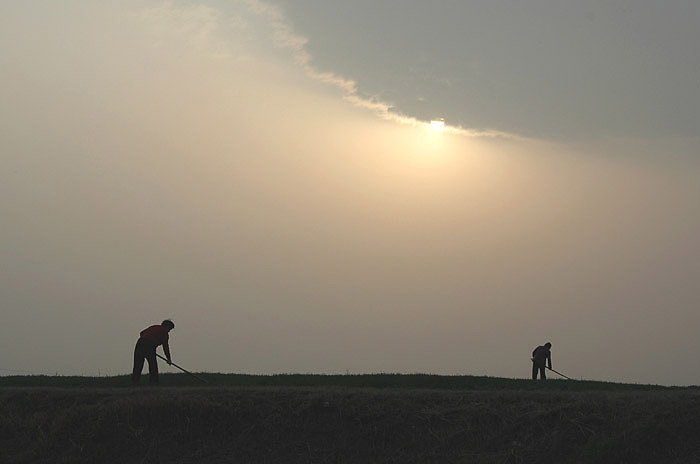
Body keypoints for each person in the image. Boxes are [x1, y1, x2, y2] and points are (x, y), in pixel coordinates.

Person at [132, 319, 174, 385]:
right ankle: (154, 382)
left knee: (138, 364)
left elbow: (141, 333)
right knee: (153, 365)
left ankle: (134, 382)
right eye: (169, 329)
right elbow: (165, 346)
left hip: (140, 343)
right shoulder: (164, 332)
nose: (169, 331)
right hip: (149, 345)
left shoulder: (154, 327)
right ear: (167, 327)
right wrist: (168, 358)